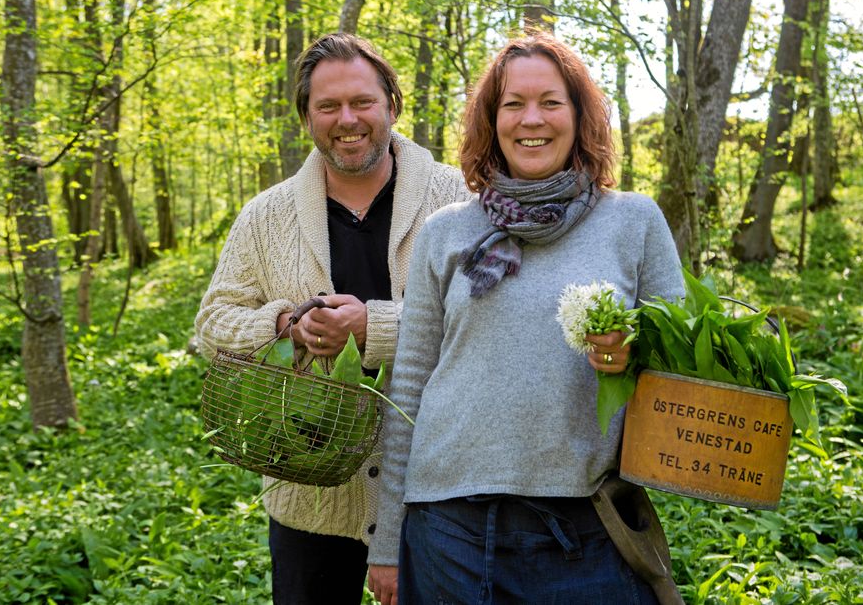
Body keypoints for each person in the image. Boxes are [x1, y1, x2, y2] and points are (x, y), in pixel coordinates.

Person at [366, 34, 685, 604]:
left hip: (586, 530)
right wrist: (387, 542)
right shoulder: (446, 231)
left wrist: (633, 352)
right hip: (448, 532)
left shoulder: (633, 222)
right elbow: (409, 387)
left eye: (550, 102)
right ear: (492, 120)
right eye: (512, 104)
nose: (530, 119)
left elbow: (682, 370)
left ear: (580, 115)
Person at [195, 32, 469, 605]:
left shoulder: (457, 198)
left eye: (363, 102)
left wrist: (375, 327)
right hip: (308, 497)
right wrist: (285, 325)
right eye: (328, 106)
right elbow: (213, 324)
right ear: (307, 116)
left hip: (436, 490)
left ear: (392, 104)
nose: (348, 119)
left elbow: (491, 321)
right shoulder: (265, 216)